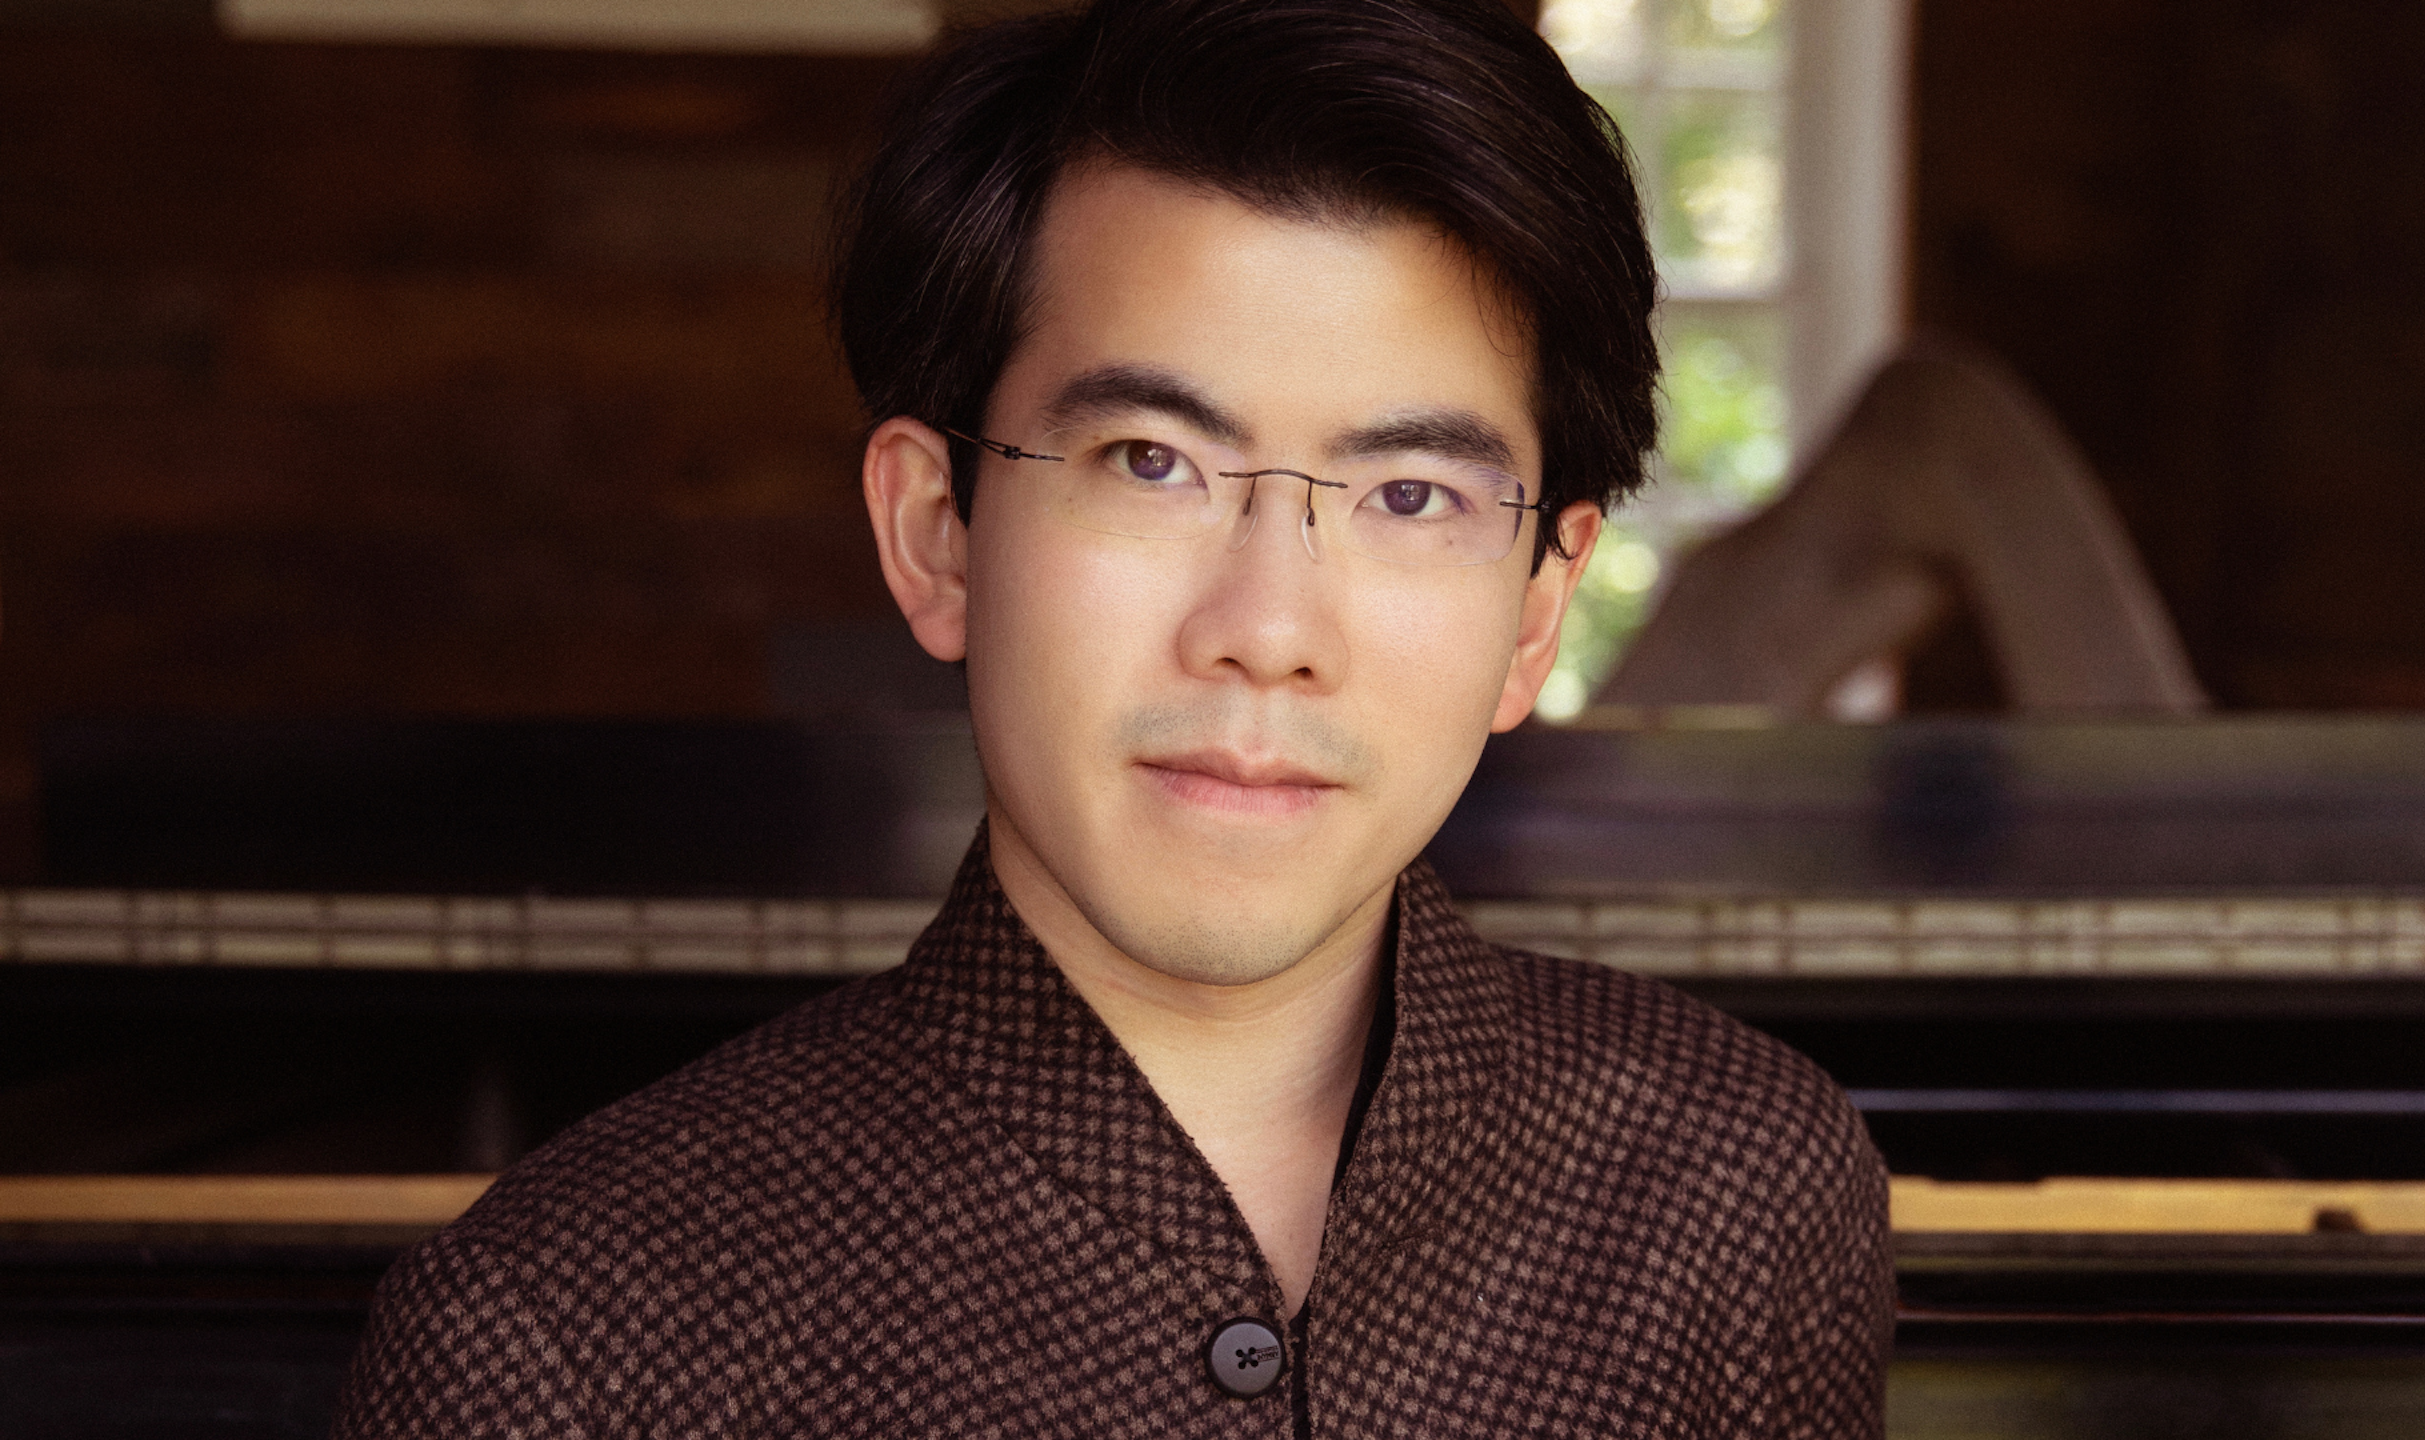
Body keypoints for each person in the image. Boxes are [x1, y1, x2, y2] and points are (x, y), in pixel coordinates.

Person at [332, 0, 1891, 1433]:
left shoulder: (1732, 1195)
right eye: (1153, 462)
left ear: (1538, 609)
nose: (1268, 632)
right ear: (937, 528)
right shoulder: (557, 1343)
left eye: (1411, 494)